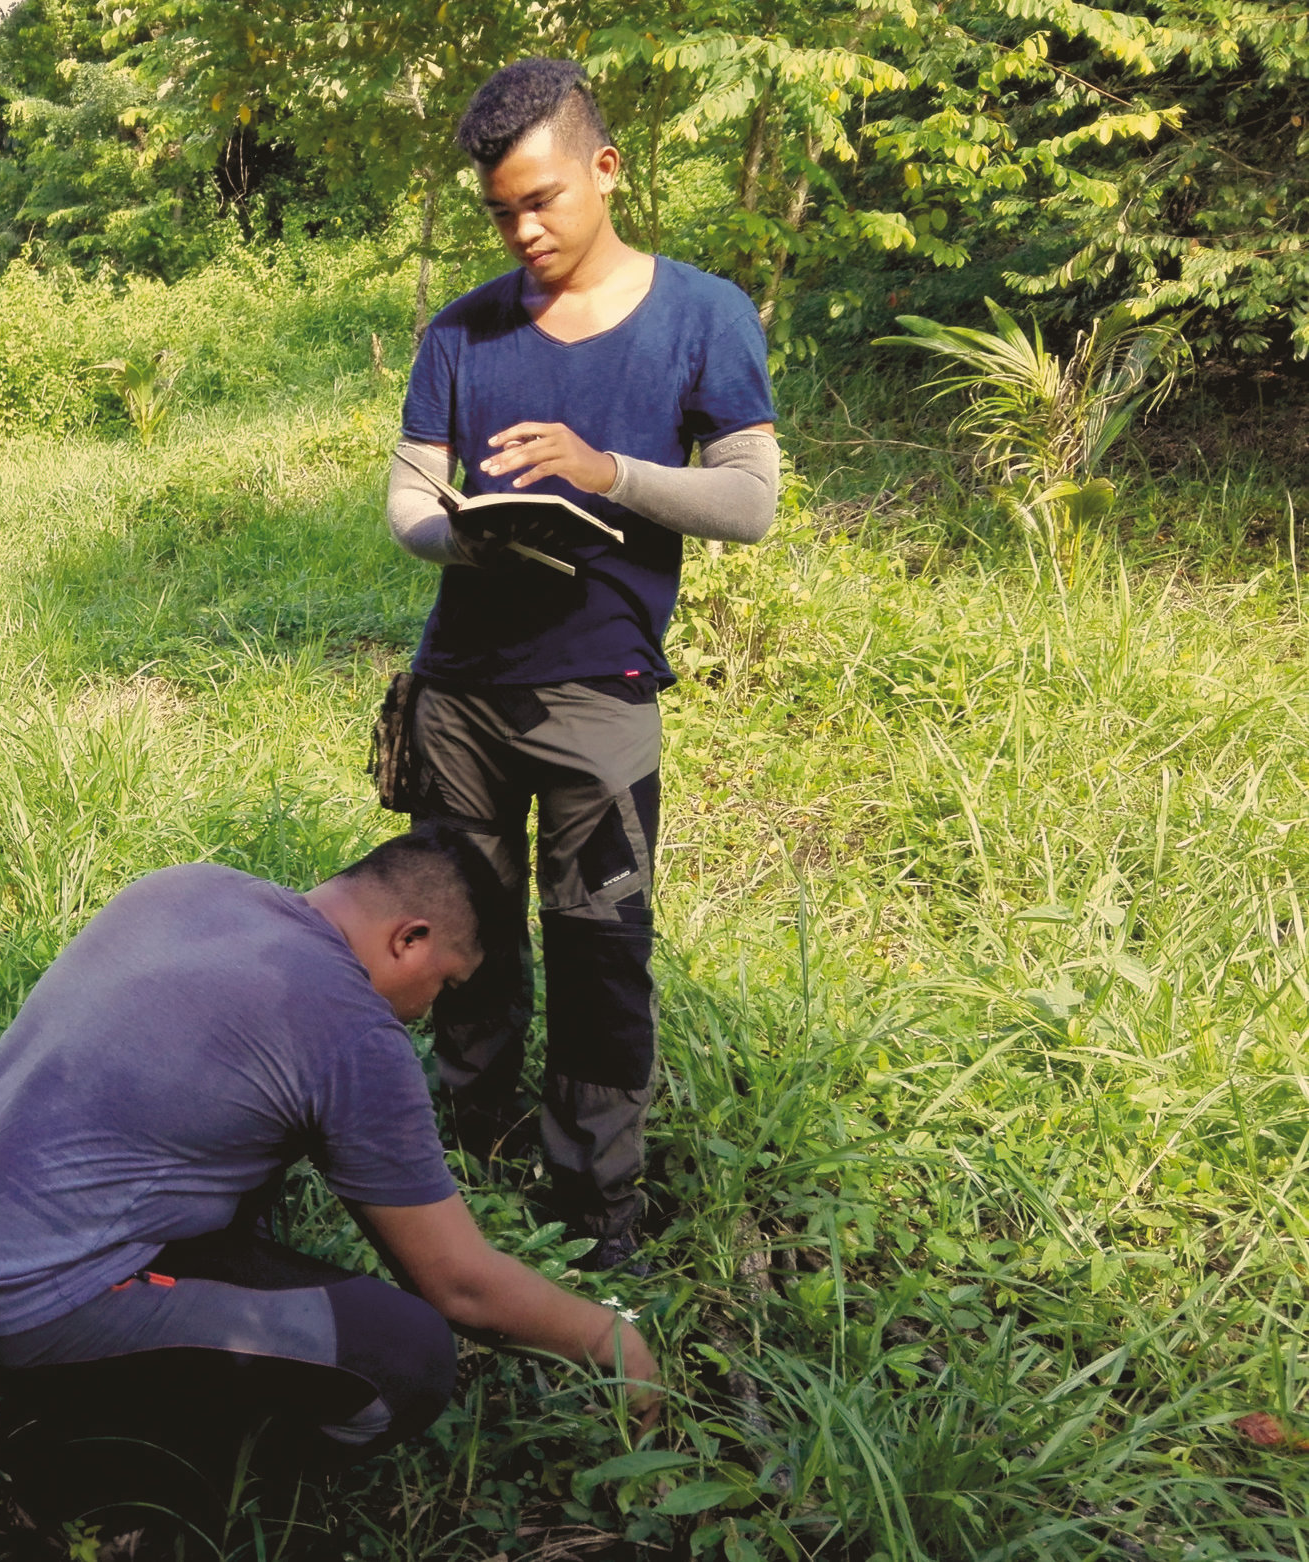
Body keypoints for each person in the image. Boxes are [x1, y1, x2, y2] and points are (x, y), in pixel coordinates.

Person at [0, 825, 658, 1531]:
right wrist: (608, 1338)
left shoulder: (190, 886)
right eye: (445, 985)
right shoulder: (349, 1028)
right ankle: (130, 1471)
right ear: (410, 939)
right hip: (14, 1302)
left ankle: (118, 1387)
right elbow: (460, 1287)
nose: (427, 1012)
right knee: (405, 1357)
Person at [383, 59, 781, 1273]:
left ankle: (596, 1202)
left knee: (600, 946)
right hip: (460, 688)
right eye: (500, 211)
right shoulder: (461, 328)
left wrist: (607, 473)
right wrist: (462, 533)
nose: (523, 231)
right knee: (464, 929)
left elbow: (750, 500)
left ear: (606, 169)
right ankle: (471, 1145)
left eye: (542, 200)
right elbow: (408, 498)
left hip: (599, 690)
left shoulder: (702, 315)